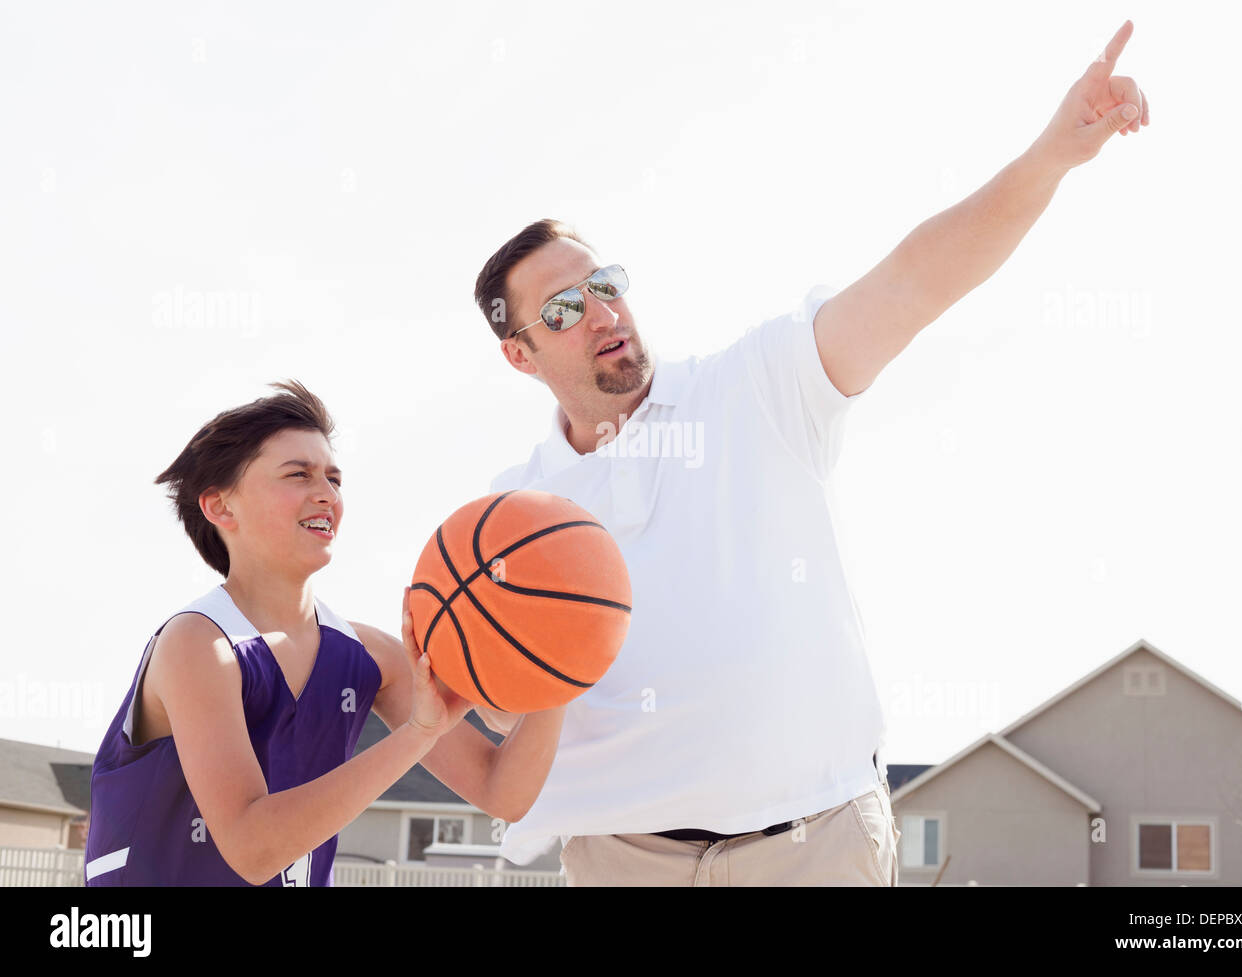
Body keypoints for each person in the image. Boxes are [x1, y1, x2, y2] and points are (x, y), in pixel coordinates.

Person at [472, 21, 1148, 885]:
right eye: (564, 307)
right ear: (519, 353)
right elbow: (500, 705)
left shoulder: (759, 385)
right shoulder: (513, 513)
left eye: (605, 285)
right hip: (622, 860)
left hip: (813, 848)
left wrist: (1049, 156)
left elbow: (913, 279)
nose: (602, 312)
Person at [84, 380, 566, 885]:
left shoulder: (369, 656)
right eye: (299, 474)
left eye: (334, 479)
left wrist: (566, 660)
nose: (326, 495)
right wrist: (419, 733)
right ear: (221, 508)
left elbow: (502, 793)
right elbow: (251, 847)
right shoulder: (197, 645)